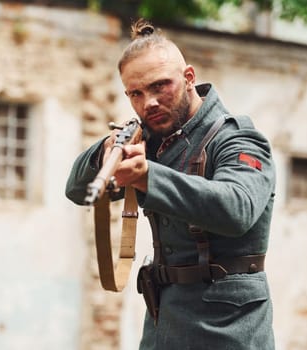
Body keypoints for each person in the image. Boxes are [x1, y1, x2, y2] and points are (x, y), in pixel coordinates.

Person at [66, 18, 276, 350]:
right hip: (163, 324)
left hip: (229, 328)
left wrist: (148, 176)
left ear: (189, 77)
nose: (148, 102)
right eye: (135, 93)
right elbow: (76, 190)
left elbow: (238, 208)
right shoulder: (150, 139)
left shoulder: (237, 139)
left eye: (159, 86)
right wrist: (106, 151)